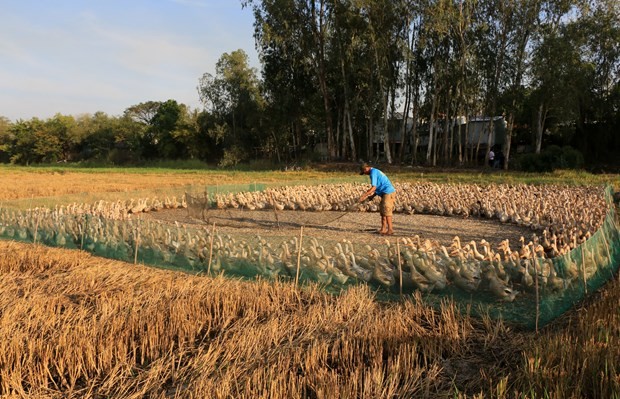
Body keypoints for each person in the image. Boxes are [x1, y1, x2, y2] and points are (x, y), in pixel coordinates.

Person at [358, 163, 396, 235]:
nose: (365, 174)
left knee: (387, 211)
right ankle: (383, 229)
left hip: (388, 192)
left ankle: (390, 230)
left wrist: (364, 196)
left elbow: (374, 187)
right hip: (384, 193)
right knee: (383, 211)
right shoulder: (375, 171)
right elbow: (378, 186)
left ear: (366, 169)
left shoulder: (373, 173)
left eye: (364, 173)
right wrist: (372, 196)